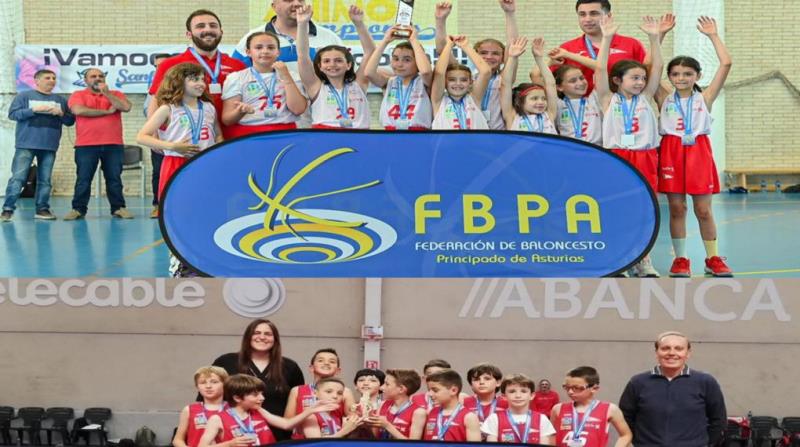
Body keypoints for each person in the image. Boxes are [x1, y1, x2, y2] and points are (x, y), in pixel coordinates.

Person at [655, 17, 733, 278]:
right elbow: (650, 66)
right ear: (669, 77)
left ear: (697, 76)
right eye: (675, 74)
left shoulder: (706, 96)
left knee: (703, 209)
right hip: (671, 150)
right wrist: (659, 36)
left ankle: (713, 258)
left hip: (698, 150)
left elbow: (726, 63)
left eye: (688, 74)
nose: (681, 77)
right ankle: (681, 260)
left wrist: (713, 35)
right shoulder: (664, 96)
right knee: (677, 209)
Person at [136, 62, 222, 278]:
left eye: (202, 79)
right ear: (178, 81)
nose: (200, 83)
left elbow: (217, 134)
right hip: (176, 164)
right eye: (194, 79)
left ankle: (201, 261)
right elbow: (142, 136)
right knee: (179, 216)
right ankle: (179, 263)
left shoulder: (209, 108)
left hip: (204, 166)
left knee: (204, 215)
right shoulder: (168, 109)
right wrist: (172, 146)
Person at [595, 15, 663, 278]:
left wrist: (654, 39)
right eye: (634, 78)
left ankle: (643, 260)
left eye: (642, 78)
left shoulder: (646, 98)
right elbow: (600, 70)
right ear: (617, 81)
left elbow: (656, 68)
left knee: (644, 211)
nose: (640, 82)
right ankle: (619, 260)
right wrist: (607, 39)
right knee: (616, 209)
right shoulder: (606, 99)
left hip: (645, 156)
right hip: (616, 158)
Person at [147, 9, 246, 139]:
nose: (208, 30)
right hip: (188, 138)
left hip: (232, 136)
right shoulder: (170, 64)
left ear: (221, 32)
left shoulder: (238, 65)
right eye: (200, 26)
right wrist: (153, 132)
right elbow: (157, 100)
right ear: (189, 34)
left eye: (213, 25)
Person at [619, 331, 726, 447]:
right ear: (656, 352)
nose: (671, 353)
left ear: (688, 353)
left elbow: (718, 420)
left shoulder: (705, 382)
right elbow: (625, 419)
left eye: (678, 349)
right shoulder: (638, 382)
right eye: (665, 348)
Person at [209, 319, 305, 441]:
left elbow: (298, 404)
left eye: (268, 334)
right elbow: (207, 397)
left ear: (275, 339)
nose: (262, 337)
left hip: (278, 436)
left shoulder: (290, 366)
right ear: (248, 337)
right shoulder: (226, 361)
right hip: (233, 436)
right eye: (256, 332)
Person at [2, 69, 74, 222]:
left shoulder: (60, 100)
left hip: (49, 145)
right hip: (26, 144)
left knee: (45, 180)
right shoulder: (24, 96)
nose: (52, 80)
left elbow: (70, 121)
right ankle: (7, 210)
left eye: (54, 78)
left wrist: (61, 114)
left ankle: (42, 209)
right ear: (37, 80)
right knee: (18, 178)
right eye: (48, 78)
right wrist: (33, 110)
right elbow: (13, 114)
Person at [435, 0, 519, 130]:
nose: (489, 57)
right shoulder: (465, 77)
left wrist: (510, 13)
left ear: (503, 58)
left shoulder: (504, 78)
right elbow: (442, 50)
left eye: (495, 53)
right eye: (483, 53)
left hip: (497, 134)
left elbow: (513, 45)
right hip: (469, 130)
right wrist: (440, 20)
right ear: (475, 54)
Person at [64, 68, 133, 221]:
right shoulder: (78, 95)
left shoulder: (115, 94)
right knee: (83, 178)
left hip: (113, 144)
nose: (98, 78)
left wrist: (107, 94)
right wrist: (107, 112)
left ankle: (118, 208)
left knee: (114, 178)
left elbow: (126, 107)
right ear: (86, 80)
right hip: (86, 145)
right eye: (93, 76)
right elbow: (78, 110)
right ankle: (78, 209)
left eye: (101, 76)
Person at [198, 374, 338, 447]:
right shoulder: (217, 419)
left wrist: (311, 410)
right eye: (255, 394)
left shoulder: (259, 410)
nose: (262, 398)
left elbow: (286, 425)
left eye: (262, 393)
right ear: (237, 397)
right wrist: (230, 444)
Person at [296, 4, 373, 129]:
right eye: (326, 61)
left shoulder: (359, 83)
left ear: (348, 65)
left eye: (338, 60)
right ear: (320, 66)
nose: (332, 64)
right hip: (326, 137)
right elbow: (302, 56)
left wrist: (359, 24)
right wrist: (302, 24)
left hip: (359, 136)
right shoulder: (315, 86)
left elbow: (370, 52)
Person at [221, 32, 307, 137]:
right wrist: (240, 111)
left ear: (278, 52)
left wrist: (286, 76)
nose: (265, 51)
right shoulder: (236, 78)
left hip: (285, 132)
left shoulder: (292, 75)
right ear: (248, 52)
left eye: (271, 47)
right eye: (259, 47)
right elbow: (227, 120)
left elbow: (298, 109)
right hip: (249, 135)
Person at [553, 0, 647, 95]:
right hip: (581, 108)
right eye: (582, 14)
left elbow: (649, 77)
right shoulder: (566, 48)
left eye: (594, 13)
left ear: (608, 16)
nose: (587, 19)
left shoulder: (631, 44)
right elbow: (549, 82)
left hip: (624, 107)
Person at [233, 0, 343, 69]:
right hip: (269, 105)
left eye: (301, 0)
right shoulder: (252, 38)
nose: (297, 3)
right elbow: (236, 77)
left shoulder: (330, 37)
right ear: (274, 6)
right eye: (288, 0)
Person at [365, 25, 433, 130]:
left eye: (407, 60)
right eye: (396, 59)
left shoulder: (425, 82)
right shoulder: (389, 82)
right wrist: (385, 41)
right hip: (390, 134)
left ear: (418, 62)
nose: (399, 64)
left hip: (419, 135)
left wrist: (414, 40)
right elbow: (369, 73)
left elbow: (425, 71)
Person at [551, 366, 632, 447]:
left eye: (576, 388)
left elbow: (626, 435)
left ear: (594, 388)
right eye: (567, 387)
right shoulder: (558, 409)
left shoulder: (610, 409)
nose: (570, 392)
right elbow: (551, 435)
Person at [284, 348, 355, 439]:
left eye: (332, 361)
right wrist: (307, 424)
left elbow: (353, 421)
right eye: (320, 360)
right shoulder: (297, 390)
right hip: (303, 441)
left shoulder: (345, 391)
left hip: (335, 440)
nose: (326, 363)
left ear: (338, 370)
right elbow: (287, 423)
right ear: (311, 368)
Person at [431, 35, 492, 130]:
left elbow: (486, 72)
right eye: (452, 79)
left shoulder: (474, 99)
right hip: (447, 145)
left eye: (463, 80)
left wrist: (466, 46)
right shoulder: (438, 100)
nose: (458, 83)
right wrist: (448, 46)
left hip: (475, 144)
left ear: (471, 82)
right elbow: (439, 73)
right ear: (445, 82)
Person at [501, 37, 559, 134]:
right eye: (534, 98)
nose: (541, 102)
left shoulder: (549, 115)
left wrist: (539, 58)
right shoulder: (512, 116)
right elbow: (505, 84)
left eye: (544, 98)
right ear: (520, 101)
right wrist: (512, 58)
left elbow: (551, 84)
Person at [481, 374, 556, 445]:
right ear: (504, 396)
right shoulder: (494, 419)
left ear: (532, 396)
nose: (518, 396)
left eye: (523, 391)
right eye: (512, 391)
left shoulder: (542, 419)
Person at [173, 366, 229, 447]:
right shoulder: (189, 409)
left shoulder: (234, 409)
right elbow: (178, 439)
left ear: (225, 384)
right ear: (197, 387)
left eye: (214, 382)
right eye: (203, 382)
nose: (208, 386)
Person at [422, 369, 481, 441]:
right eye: (429, 390)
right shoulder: (432, 412)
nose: (430, 394)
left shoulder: (469, 417)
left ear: (453, 390)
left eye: (435, 390)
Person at [143, 54, 169, 219]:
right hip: (161, 137)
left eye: (164, 65)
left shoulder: (185, 85)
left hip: (183, 137)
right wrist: (154, 133)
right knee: (159, 172)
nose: (160, 69)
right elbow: (147, 112)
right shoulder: (153, 89)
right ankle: (158, 205)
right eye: (157, 66)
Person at [552, 63, 603, 145]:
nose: (580, 83)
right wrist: (550, 61)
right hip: (570, 152)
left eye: (582, 78)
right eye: (573, 81)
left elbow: (600, 69)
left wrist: (567, 54)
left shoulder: (595, 100)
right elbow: (536, 75)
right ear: (559, 87)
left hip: (596, 150)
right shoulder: (558, 105)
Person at [301, 378, 365, 438]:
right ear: (315, 393)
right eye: (329, 392)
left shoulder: (336, 416)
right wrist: (345, 430)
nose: (335, 396)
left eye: (339, 393)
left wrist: (353, 427)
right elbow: (316, 444)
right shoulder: (310, 416)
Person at [374, 369, 427, 439]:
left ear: (401, 389)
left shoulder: (418, 412)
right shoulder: (382, 404)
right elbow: (374, 436)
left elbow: (413, 445)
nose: (381, 387)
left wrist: (387, 426)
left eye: (387, 384)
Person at [350, 368, 385, 439]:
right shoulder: (351, 407)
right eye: (361, 380)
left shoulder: (386, 407)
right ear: (355, 386)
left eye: (373, 380)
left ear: (382, 386)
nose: (365, 383)